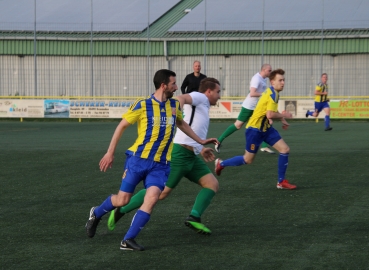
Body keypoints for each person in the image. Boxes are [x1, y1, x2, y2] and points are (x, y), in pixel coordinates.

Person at [85, 69, 218, 251]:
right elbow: (121, 126)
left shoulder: (173, 105)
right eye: (173, 84)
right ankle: (97, 213)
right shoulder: (143, 104)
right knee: (123, 200)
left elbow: (181, 123)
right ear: (163, 85)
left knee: (153, 197)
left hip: (161, 164)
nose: (176, 87)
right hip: (138, 160)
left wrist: (201, 141)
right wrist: (110, 153)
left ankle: (128, 240)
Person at [214, 68, 297, 190]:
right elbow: (270, 115)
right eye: (280, 80)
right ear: (272, 82)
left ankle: (281, 182)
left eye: (284, 80)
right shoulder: (272, 93)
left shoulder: (273, 92)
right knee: (248, 159)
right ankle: (221, 163)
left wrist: (282, 119)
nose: (283, 82)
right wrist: (285, 115)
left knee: (285, 149)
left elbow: (270, 111)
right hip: (254, 130)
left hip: (266, 129)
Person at [215, 64, 275, 154]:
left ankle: (264, 146)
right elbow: (252, 93)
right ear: (264, 70)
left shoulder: (264, 79)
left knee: (265, 123)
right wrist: (265, 94)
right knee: (237, 125)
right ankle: (218, 141)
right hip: (249, 107)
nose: (270, 72)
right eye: (269, 70)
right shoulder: (256, 78)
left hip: (256, 107)